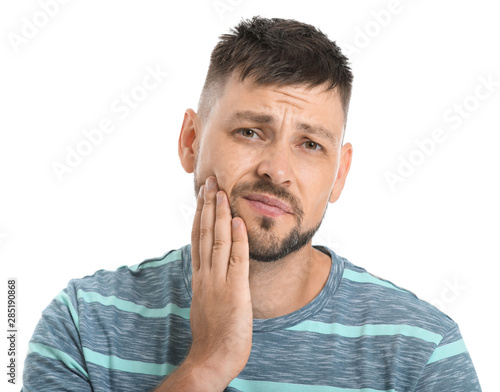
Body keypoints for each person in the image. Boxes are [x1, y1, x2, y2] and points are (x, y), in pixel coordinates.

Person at [22, 16, 481, 392]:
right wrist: (207, 364)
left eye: (310, 145)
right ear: (190, 140)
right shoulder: (81, 323)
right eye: (250, 132)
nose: (276, 170)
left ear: (339, 174)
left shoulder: (423, 352)